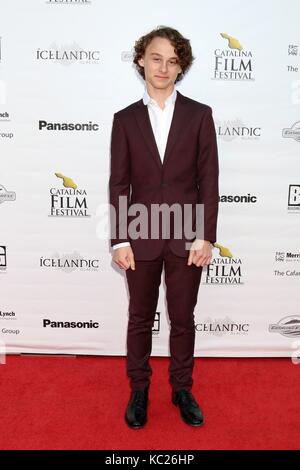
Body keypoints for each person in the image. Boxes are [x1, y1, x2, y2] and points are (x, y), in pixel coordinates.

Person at [109, 26, 219, 429]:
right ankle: (139, 390)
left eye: (173, 61)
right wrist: (119, 238)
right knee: (139, 317)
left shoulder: (199, 115)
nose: (164, 67)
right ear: (141, 60)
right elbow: (119, 183)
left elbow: (209, 180)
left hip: (188, 235)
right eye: (156, 58)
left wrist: (206, 235)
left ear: (181, 67)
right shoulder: (125, 120)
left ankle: (182, 388)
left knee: (183, 317)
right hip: (138, 235)